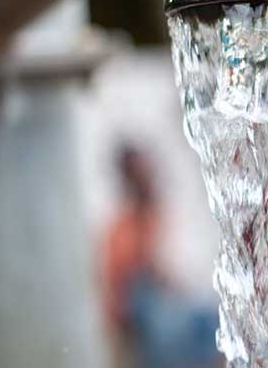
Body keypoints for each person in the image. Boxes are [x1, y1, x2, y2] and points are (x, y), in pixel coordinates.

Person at [101, 145, 219, 368]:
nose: (148, 177)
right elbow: (119, 290)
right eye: (141, 172)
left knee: (208, 321)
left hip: (161, 304)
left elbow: (165, 273)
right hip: (138, 312)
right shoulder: (122, 227)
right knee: (169, 329)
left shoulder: (154, 215)